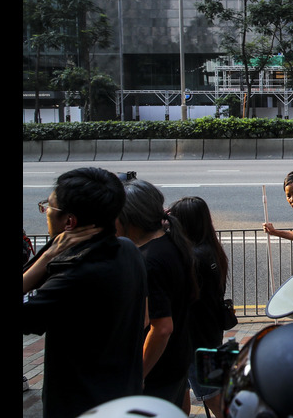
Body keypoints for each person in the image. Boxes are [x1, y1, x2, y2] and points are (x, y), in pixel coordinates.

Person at [22, 167, 148, 418]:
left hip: (81, 406)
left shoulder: (74, 277)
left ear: (69, 222)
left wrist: (45, 258)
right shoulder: (127, 249)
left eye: (48, 207)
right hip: (121, 396)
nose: (45, 212)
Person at [118, 179, 198, 409]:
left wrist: (138, 374)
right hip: (177, 359)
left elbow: (161, 328)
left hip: (158, 370)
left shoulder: (149, 260)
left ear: (128, 217)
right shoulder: (171, 242)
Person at [169, 196, 230, 417]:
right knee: (210, 393)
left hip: (196, 342)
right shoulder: (211, 250)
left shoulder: (193, 258)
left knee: (213, 398)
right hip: (211, 335)